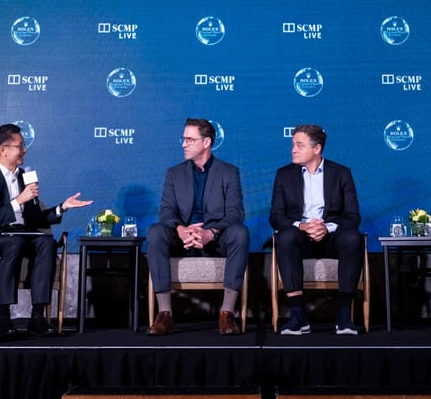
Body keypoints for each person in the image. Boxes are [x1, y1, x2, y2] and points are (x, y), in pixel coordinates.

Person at [0, 123, 93, 336]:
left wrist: (62, 207)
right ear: (4, 150)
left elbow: (35, 218)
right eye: (20, 146)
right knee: (14, 243)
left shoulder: (26, 176)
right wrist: (18, 200)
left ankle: (38, 317)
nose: (25, 150)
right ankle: (3, 316)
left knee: (46, 242)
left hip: (23, 233)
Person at [146, 118, 250, 336]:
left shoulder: (228, 172)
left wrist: (210, 233)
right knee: (156, 231)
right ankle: (165, 313)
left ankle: (227, 313)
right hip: (182, 237)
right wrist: (181, 229)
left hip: (215, 237)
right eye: (183, 139)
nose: (184, 144)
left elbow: (235, 213)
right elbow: (166, 211)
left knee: (240, 232)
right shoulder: (174, 173)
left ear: (207, 142)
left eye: (190, 139)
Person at [269, 124, 363, 335]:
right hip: (299, 237)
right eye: (293, 144)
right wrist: (302, 226)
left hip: (331, 237)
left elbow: (352, 216)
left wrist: (326, 228)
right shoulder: (284, 175)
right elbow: (276, 217)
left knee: (352, 237)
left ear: (317, 148)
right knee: (285, 236)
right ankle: (297, 315)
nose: (293, 149)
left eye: (299, 145)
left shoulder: (341, 173)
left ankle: (344, 314)